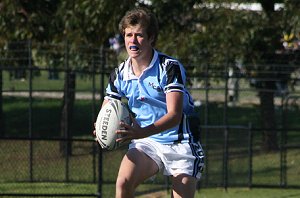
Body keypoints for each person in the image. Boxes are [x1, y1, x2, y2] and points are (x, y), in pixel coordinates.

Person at [94, 7, 204, 198]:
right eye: (128, 35)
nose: (133, 41)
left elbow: (174, 115)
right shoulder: (119, 74)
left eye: (139, 35)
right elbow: (108, 108)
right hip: (147, 142)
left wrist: (141, 132)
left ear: (151, 37)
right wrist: (101, 128)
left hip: (181, 142)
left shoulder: (169, 67)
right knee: (123, 184)